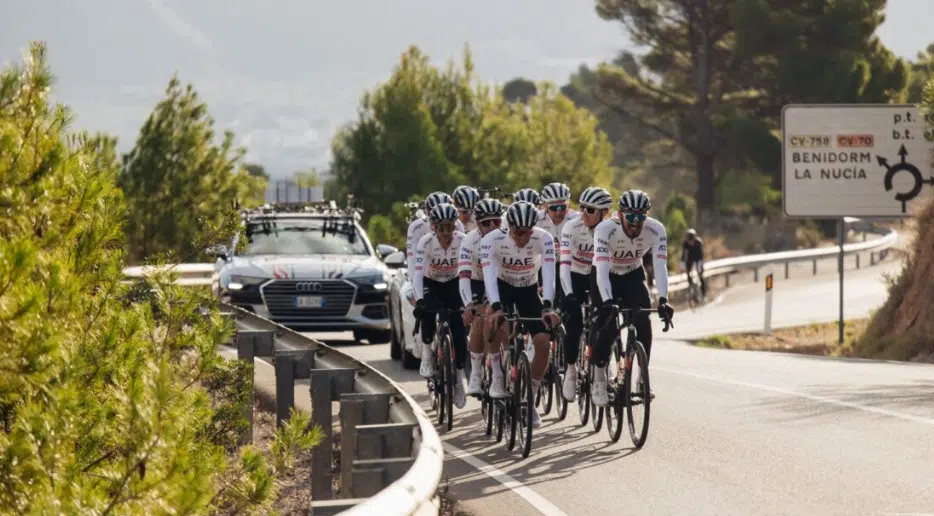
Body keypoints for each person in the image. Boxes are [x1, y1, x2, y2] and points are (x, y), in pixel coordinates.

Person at [481, 201, 560, 428]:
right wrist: (496, 306)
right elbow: (488, 276)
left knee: (544, 342)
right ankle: (497, 374)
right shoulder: (492, 240)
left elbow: (549, 274)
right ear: (509, 226)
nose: (522, 237)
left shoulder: (543, 238)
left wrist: (547, 306)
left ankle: (530, 400)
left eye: (527, 232)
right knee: (493, 320)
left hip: (528, 289)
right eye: (517, 232)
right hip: (502, 286)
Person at [592, 190, 674, 406]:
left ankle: (641, 379)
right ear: (620, 215)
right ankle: (599, 377)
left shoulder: (656, 230)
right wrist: (608, 301)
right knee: (608, 327)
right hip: (605, 274)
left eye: (641, 217)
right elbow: (600, 269)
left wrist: (664, 299)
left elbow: (659, 266)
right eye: (631, 217)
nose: (636, 223)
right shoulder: (605, 229)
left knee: (644, 323)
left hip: (632, 274)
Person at [558, 186, 613, 401]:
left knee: (606, 322)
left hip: (598, 274)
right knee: (574, 323)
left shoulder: (611, 228)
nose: (584, 214)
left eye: (590, 210)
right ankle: (570, 371)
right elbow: (563, 264)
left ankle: (600, 374)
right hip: (574, 274)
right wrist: (569, 295)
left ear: (604, 213)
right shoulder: (571, 227)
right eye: (582, 208)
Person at [413, 203, 469, 407]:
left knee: (460, 333)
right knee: (427, 313)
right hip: (432, 283)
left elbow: (467, 273)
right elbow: (418, 275)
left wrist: (468, 300)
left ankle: (460, 381)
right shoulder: (425, 243)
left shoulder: (463, 241)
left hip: (454, 283)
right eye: (441, 227)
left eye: (450, 227)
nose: (446, 233)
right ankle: (427, 353)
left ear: (456, 226)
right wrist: (419, 300)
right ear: (433, 227)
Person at [457, 198, 506, 394]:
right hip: (477, 281)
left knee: (507, 319)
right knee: (479, 320)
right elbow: (463, 276)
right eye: (487, 223)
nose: (493, 226)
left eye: (496, 221)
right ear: (478, 224)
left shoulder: (507, 235)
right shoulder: (469, 241)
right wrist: (468, 304)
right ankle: (476, 373)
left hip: (500, 280)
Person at [406, 192, 465, 289]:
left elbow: (462, 259)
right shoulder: (416, 227)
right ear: (427, 212)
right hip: (427, 277)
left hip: (452, 276)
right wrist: (415, 288)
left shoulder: (458, 225)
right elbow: (412, 259)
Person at [681, 228, 706, 302]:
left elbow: (701, 255)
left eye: (691, 240)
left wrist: (699, 267)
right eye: (689, 241)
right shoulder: (685, 243)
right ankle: (691, 288)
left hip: (698, 259)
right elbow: (683, 254)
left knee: (700, 276)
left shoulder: (699, 242)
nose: (690, 242)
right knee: (688, 273)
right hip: (690, 259)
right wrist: (682, 264)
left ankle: (704, 295)